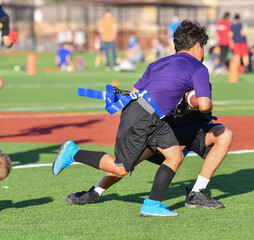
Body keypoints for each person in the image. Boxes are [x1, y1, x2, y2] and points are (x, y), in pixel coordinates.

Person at [52, 20, 213, 217]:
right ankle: (73, 152)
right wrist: (192, 102)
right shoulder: (198, 67)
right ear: (197, 46)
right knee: (120, 168)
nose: (203, 52)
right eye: (203, 47)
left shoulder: (158, 62)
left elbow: (134, 92)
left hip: (149, 115)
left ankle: (152, 205)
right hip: (145, 116)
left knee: (174, 156)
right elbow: (204, 105)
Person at [66, 105, 233, 209]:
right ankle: (96, 192)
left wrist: (193, 102)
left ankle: (197, 193)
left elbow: (201, 101)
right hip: (165, 131)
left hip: (194, 130)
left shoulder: (198, 71)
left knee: (225, 135)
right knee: (123, 165)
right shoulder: (169, 71)